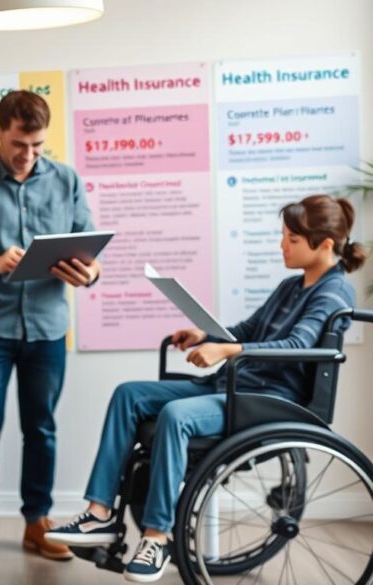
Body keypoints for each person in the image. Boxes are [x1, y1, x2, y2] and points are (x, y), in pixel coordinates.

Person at [46, 195, 365, 582]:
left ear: (325, 245)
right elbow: (248, 331)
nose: (282, 245)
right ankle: (99, 516)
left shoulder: (333, 293)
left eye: (292, 239)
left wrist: (227, 350)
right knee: (128, 393)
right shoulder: (290, 286)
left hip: (271, 399)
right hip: (236, 385)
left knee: (175, 415)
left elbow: (299, 347)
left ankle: (157, 536)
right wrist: (204, 334)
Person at [0, 89, 101, 566]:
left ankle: (37, 523)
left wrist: (89, 273)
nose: (28, 156)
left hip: (48, 328)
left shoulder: (67, 181)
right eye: (18, 144)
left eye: (37, 146)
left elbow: (89, 252)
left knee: (42, 429)